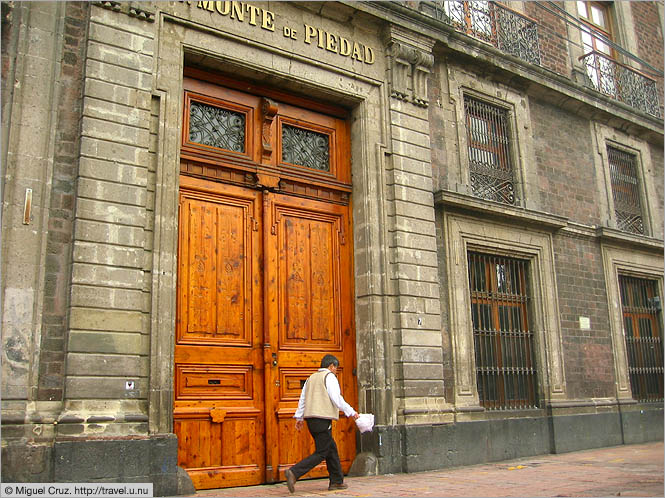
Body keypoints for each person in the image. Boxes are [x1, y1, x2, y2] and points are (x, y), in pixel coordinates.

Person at [285, 354, 359, 493]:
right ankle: (294, 472)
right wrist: (351, 412)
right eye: (336, 368)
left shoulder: (310, 378)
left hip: (311, 419)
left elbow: (303, 399)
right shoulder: (329, 377)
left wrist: (299, 417)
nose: (336, 371)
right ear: (331, 366)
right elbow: (336, 398)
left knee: (331, 448)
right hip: (322, 419)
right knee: (322, 452)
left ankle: (336, 481)